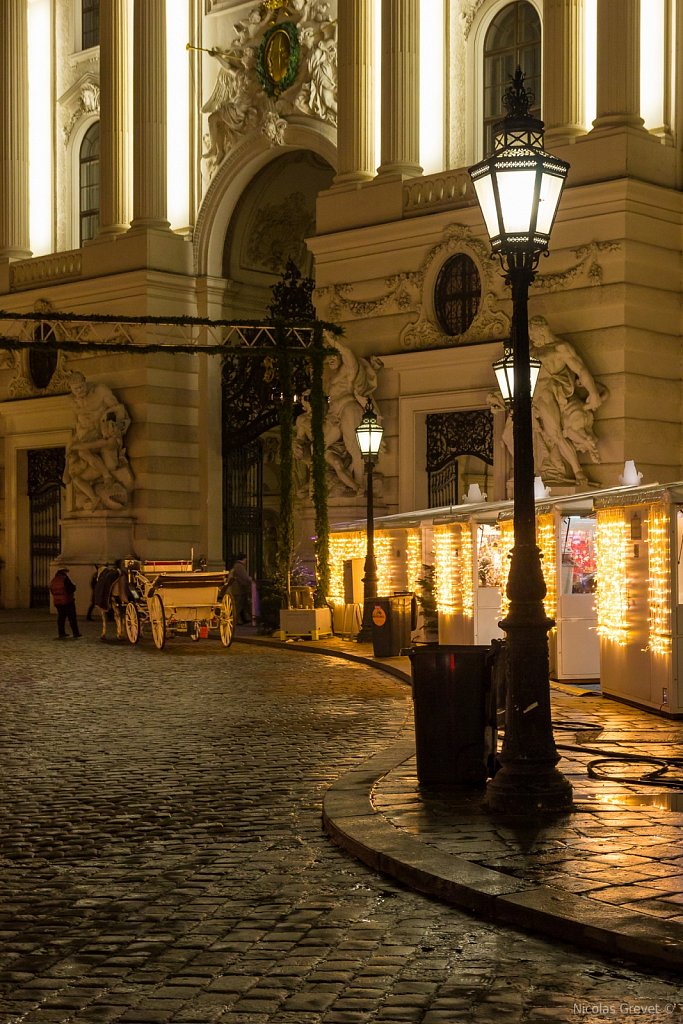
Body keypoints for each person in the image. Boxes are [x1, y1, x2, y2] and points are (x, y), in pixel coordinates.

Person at [528, 316, 607, 485]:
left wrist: (593, 393)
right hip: (532, 398)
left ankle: (578, 471)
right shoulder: (532, 351)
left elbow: (581, 369)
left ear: (542, 330)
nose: (531, 338)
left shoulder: (560, 348)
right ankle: (562, 469)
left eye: (533, 334)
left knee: (555, 434)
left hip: (546, 395)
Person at [49, 567, 81, 640]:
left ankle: (61, 633)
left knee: (61, 618)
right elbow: (71, 589)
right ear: (63, 572)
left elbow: (51, 590)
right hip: (67, 600)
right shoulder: (65, 579)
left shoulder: (53, 580)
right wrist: (74, 587)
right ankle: (76, 632)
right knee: (72, 617)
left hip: (57, 602)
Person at [228, 553, 253, 625]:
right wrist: (250, 579)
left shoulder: (236, 566)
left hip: (238, 589)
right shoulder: (239, 566)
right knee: (238, 605)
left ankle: (244, 619)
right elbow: (244, 577)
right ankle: (236, 619)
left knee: (241, 604)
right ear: (243, 559)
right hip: (239, 589)